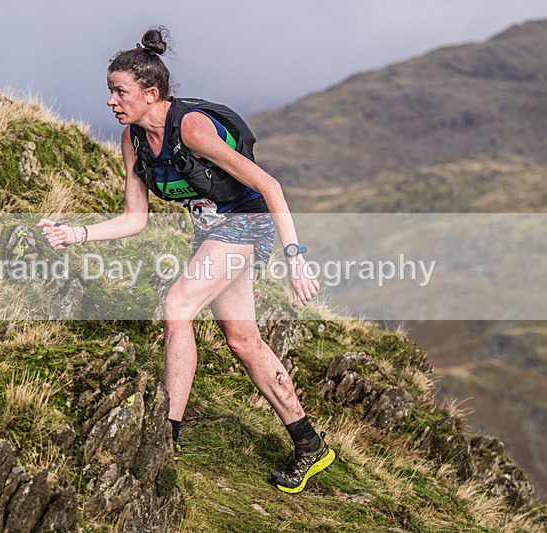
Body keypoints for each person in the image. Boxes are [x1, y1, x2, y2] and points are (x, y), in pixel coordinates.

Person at [38, 28, 334, 493]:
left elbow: (270, 186)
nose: (112, 101)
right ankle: (310, 444)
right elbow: (134, 219)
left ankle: (166, 434)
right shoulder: (132, 141)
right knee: (243, 341)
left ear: (150, 93)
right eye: (109, 91)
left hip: (247, 222)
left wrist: (296, 258)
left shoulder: (192, 127)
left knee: (178, 305)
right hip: (212, 231)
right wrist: (76, 233)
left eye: (121, 91)